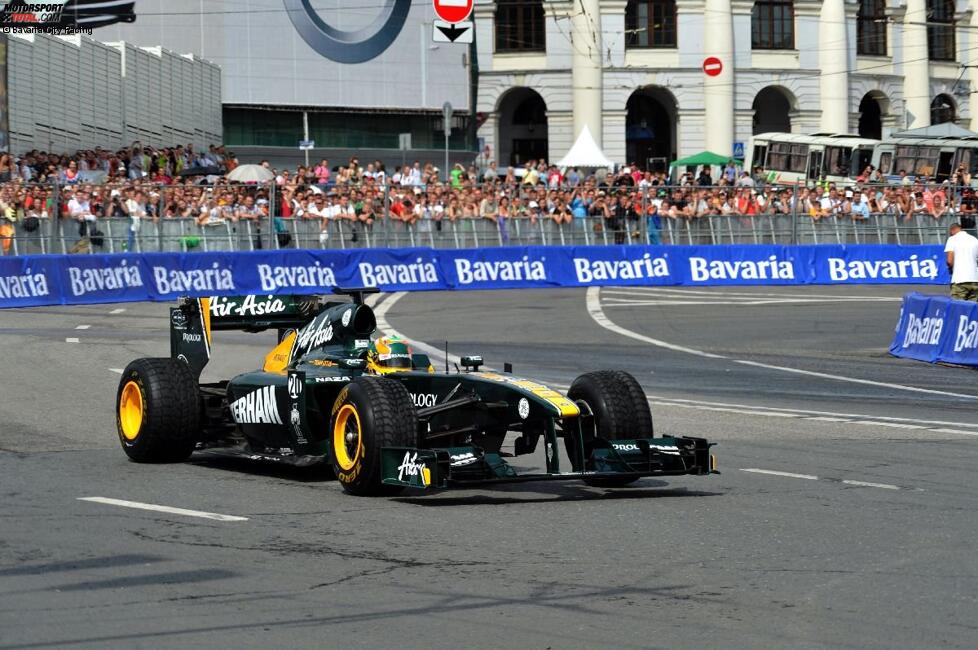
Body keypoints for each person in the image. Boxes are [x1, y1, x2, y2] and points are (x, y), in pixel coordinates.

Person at [945, 222, 978, 301]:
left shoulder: (952, 239)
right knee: (972, 310)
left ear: (952, 230)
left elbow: (949, 260)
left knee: (957, 308)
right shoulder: (974, 239)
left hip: (960, 280)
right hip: (975, 279)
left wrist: (950, 268)